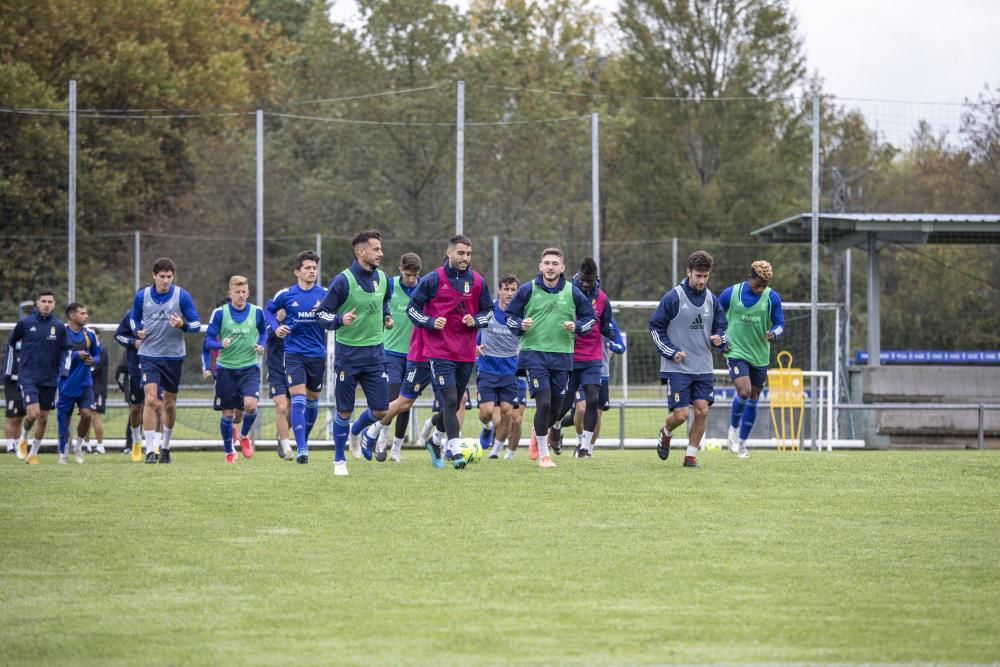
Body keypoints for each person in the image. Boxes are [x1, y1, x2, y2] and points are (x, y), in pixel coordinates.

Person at [505, 248, 597, 469]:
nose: (550, 267)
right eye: (546, 263)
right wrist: (519, 325)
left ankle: (538, 435)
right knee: (543, 402)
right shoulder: (528, 290)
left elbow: (590, 319)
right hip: (534, 355)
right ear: (540, 266)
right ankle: (544, 455)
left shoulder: (572, 292)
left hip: (562, 357)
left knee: (556, 409)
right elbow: (509, 316)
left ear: (562, 268)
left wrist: (577, 326)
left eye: (555, 263)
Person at [406, 234, 493, 469]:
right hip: (439, 350)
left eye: (468, 254)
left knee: (451, 405)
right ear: (449, 253)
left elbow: (488, 312)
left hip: (465, 352)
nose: (465, 258)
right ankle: (453, 449)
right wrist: (430, 321)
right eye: (461, 253)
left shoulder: (477, 282)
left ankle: (434, 440)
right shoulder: (433, 279)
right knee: (452, 399)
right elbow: (412, 310)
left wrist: (474, 320)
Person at [317, 230, 392, 477]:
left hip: (376, 354)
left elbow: (384, 302)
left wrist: (387, 316)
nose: (381, 253)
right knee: (343, 411)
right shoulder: (342, 281)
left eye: (380, 249)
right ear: (361, 252)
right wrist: (339, 319)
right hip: (348, 356)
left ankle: (356, 431)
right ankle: (339, 460)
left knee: (382, 410)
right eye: (376, 249)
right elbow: (322, 314)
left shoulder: (383, 278)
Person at [648, 250, 727, 468]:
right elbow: (655, 328)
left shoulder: (713, 300)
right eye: (698, 276)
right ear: (688, 272)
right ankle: (665, 432)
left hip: (703, 366)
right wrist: (671, 351)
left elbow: (722, 326)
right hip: (677, 367)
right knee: (681, 414)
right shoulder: (673, 297)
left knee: (702, 410)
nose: (702, 280)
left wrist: (720, 339)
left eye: (705, 276)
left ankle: (690, 456)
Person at [547, 258, 622, 458]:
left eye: (589, 281)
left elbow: (606, 323)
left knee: (593, 400)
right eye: (583, 280)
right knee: (566, 400)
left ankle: (585, 448)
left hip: (593, 358)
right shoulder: (568, 292)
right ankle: (555, 426)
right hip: (569, 355)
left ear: (596, 279)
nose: (585, 284)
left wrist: (610, 333)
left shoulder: (603, 299)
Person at [131, 257, 202, 464]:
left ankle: (165, 446)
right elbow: (134, 318)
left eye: (169, 277)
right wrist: (137, 331)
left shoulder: (182, 296)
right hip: (149, 354)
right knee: (151, 400)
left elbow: (196, 324)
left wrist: (183, 325)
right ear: (154, 276)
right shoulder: (142, 296)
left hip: (173, 355)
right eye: (162, 277)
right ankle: (150, 451)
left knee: (169, 403)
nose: (165, 281)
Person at [264, 251, 327, 465]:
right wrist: (276, 327)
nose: (312, 271)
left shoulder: (325, 294)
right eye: (308, 268)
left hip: (317, 355)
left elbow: (336, 316)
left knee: (312, 403)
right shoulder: (287, 294)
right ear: (297, 272)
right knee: (297, 401)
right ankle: (301, 449)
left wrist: (326, 313)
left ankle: (303, 440)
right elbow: (268, 311)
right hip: (293, 355)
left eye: (314, 268)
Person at [720, 260, 785, 459]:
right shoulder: (730, 294)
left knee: (754, 397)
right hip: (736, 351)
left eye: (763, 286)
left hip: (759, 355)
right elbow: (715, 317)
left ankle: (742, 444)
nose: (759, 289)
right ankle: (732, 430)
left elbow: (780, 323)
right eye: (757, 285)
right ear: (750, 277)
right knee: (745, 391)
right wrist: (722, 340)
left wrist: (774, 332)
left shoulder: (772, 297)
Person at [364, 252, 421, 462]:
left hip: (415, 354)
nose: (410, 279)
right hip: (390, 352)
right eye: (407, 275)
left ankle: (396, 448)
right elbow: (375, 306)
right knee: (392, 397)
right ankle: (381, 440)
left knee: (406, 403)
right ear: (400, 270)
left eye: (414, 276)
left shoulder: (423, 289)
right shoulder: (389, 285)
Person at [204, 276, 268, 464]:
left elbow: (264, 332)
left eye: (244, 292)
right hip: (226, 370)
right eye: (237, 292)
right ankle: (229, 452)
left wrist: (261, 345)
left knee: (251, 405)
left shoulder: (257, 312)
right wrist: (219, 344)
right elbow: (208, 341)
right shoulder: (219, 313)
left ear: (248, 293)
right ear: (230, 293)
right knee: (229, 415)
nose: (241, 295)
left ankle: (244, 436)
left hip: (249, 368)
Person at [5, 291, 70, 465]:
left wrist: (64, 370)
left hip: (49, 378)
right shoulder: (25, 323)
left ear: (54, 304)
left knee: (43, 417)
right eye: (43, 301)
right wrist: (9, 368)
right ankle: (23, 439)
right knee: (32, 414)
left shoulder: (59, 326)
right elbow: (11, 343)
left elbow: (65, 351)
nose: (46, 304)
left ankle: (33, 453)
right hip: (28, 377)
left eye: (50, 301)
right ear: (37, 303)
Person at [562, 319, 625, 457]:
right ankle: (580, 443)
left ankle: (588, 450)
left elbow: (621, 346)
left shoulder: (609, 322)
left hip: (602, 374)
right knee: (581, 408)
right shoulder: (577, 318)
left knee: (597, 413)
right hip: (580, 370)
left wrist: (612, 346)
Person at [474, 274, 521, 459]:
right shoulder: (488, 310)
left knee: (507, 412)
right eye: (506, 289)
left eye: (513, 290)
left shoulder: (520, 313)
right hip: (487, 368)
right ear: (499, 290)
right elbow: (472, 331)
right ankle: (486, 428)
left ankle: (496, 453)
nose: (510, 293)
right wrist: (474, 347)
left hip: (510, 370)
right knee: (486, 413)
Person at [55, 302, 102, 464]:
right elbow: (56, 356)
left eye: (86, 313)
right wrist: (77, 355)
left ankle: (79, 446)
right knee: (64, 419)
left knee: (87, 414)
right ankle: (63, 451)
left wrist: (91, 361)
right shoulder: (61, 334)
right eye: (82, 313)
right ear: (72, 316)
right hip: (66, 383)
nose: (86, 316)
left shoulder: (90, 335)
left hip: (85, 382)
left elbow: (97, 356)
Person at [114, 309, 152, 461]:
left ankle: (154, 446)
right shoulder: (131, 315)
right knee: (136, 408)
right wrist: (133, 342)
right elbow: (118, 335)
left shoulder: (164, 313)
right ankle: (136, 442)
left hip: (157, 366)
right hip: (136, 368)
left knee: (156, 405)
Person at [265, 309, 292, 460]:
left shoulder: (296, 318)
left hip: (295, 370)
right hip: (276, 373)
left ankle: (281, 435)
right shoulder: (271, 319)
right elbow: (263, 336)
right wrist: (277, 323)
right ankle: (285, 445)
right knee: (282, 407)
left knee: (295, 410)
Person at [83, 327, 109, 454]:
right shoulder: (86, 350)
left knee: (95, 415)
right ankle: (86, 444)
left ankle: (100, 445)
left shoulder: (101, 351)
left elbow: (94, 368)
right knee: (86, 415)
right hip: (86, 388)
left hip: (98, 389)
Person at [4, 339, 29, 459]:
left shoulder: (27, 353)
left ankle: (16, 443)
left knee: (19, 417)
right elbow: (6, 373)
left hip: (23, 388)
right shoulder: (11, 352)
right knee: (11, 418)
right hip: (12, 388)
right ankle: (9, 445)